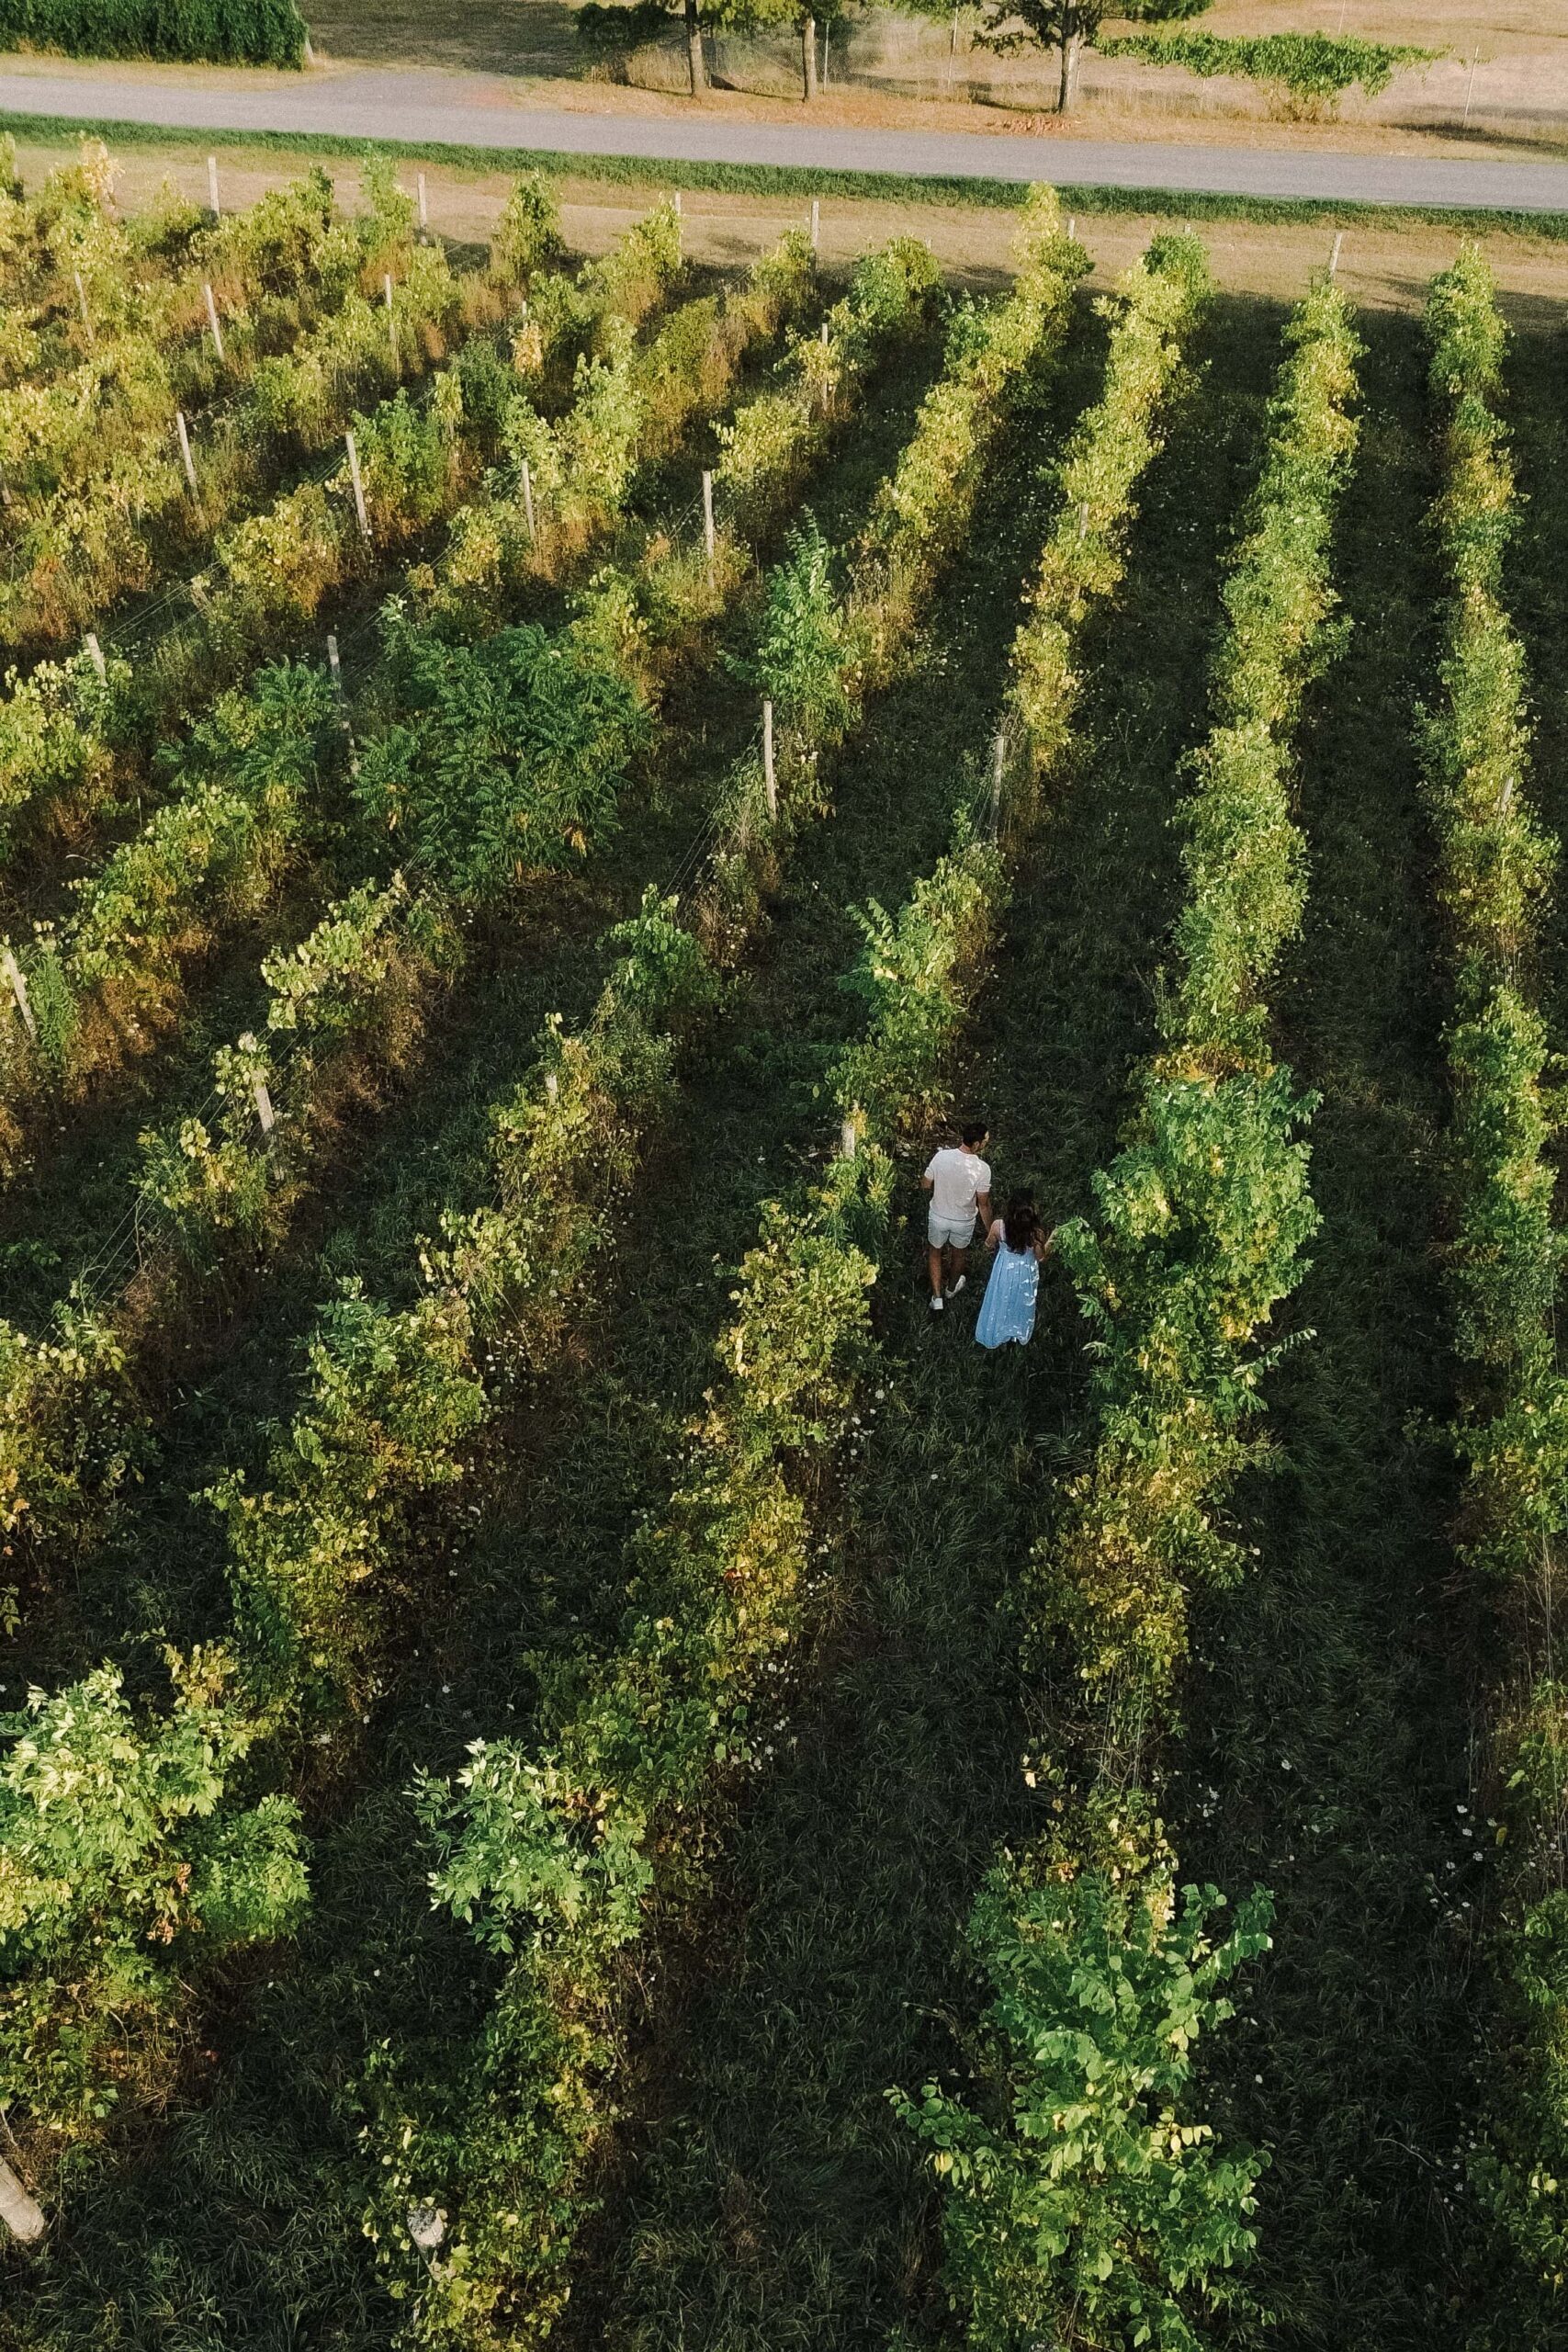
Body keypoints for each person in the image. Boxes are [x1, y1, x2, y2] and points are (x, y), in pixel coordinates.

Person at [921, 1121, 992, 1314]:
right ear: (976, 1144)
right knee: (958, 1254)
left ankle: (937, 1298)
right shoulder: (983, 1169)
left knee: (935, 1251)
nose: (986, 1144)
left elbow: (925, 1184)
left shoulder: (941, 1156)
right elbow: (983, 1204)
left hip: (938, 1216)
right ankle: (951, 1289)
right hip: (963, 1221)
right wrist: (990, 1231)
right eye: (985, 1141)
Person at [975, 1191, 1054, 1351]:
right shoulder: (1036, 1233)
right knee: (1021, 1301)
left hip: (1004, 1270)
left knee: (1001, 1298)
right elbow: (1041, 1258)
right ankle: (1016, 1332)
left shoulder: (998, 1226)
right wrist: (1052, 1240)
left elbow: (988, 1245)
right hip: (1026, 1273)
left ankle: (998, 1330)